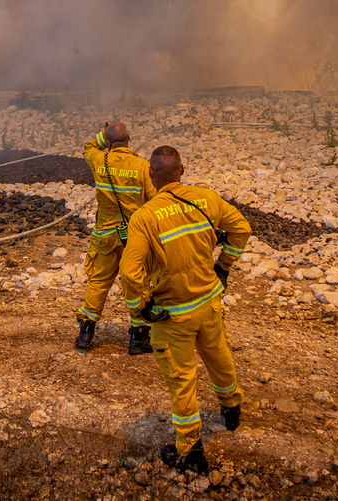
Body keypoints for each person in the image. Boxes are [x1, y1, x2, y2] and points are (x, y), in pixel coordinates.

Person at [119, 145, 250, 475]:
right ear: (182, 169)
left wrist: (141, 309)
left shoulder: (145, 217)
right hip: (209, 301)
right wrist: (224, 267)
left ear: (151, 176)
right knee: (219, 354)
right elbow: (242, 229)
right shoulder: (206, 198)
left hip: (174, 314)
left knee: (182, 380)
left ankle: (189, 450)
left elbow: (130, 272)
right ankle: (231, 410)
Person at [75, 122, 157, 354]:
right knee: (137, 283)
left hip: (104, 236)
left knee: (98, 282)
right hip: (133, 238)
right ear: (129, 141)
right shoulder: (142, 166)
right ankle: (138, 339)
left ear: (109, 143)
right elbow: (153, 199)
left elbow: (87, 147)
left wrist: (104, 135)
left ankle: (85, 335)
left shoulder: (100, 160)